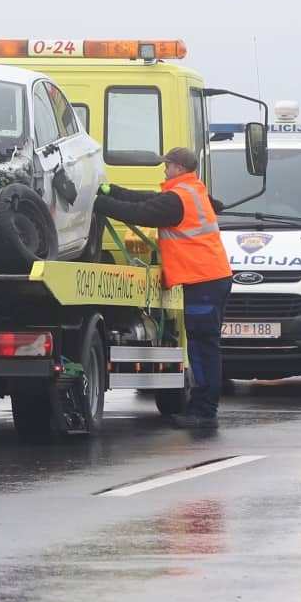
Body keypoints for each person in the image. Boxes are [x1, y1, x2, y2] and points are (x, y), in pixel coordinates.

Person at [92, 146, 235, 427]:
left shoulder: (178, 200)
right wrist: (110, 190)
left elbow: (140, 213)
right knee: (204, 345)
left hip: (203, 280)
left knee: (203, 347)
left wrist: (99, 203)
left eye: (167, 165)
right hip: (210, 278)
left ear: (179, 168)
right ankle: (203, 407)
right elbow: (147, 200)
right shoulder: (191, 192)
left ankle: (204, 411)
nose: (163, 169)